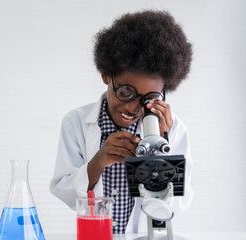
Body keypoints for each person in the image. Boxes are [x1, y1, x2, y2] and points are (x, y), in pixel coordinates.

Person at [49, 10, 194, 234]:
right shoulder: (76, 122)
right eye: (126, 92)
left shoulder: (173, 128)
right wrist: (97, 163)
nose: (133, 107)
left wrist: (162, 144)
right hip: (95, 234)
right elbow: (65, 192)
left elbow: (176, 205)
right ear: (107, 76)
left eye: (149, 98)